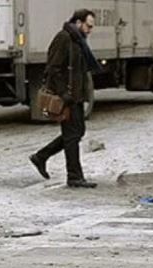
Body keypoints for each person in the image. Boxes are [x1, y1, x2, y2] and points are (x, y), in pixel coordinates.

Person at [29, 9, 101, 188]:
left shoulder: (78, 40)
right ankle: (74, 176)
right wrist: (63, 93)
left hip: (76, 96)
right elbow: (53, 68)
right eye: (88, 26)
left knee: (76, 133)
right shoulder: (64, 38)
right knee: (72, 135)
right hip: (67, 97)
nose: (90, 30)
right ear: (78, 23)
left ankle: (41, 156)